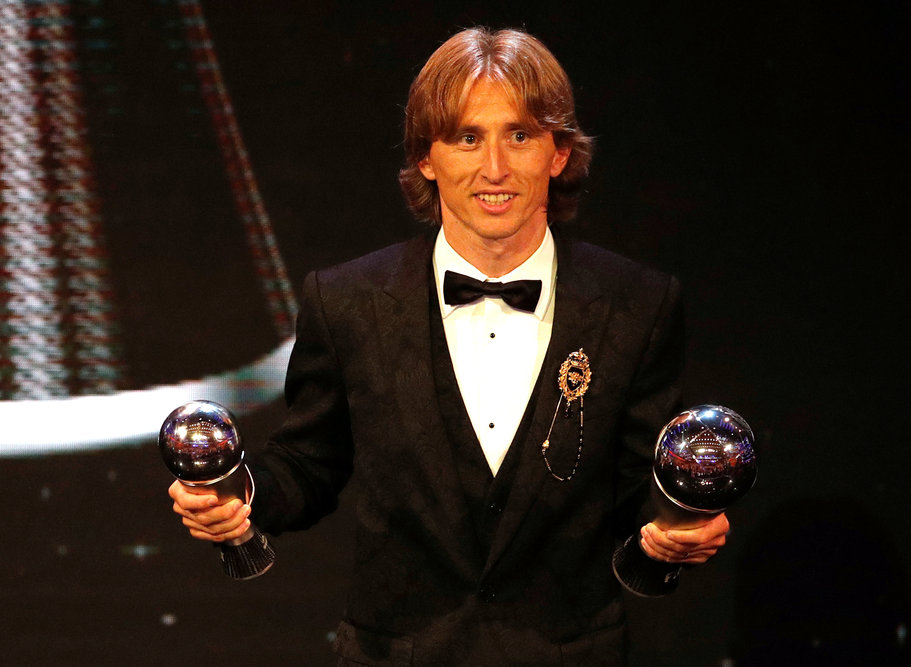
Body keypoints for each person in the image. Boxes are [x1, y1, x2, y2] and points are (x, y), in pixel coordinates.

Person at [169, 27, 730, 665]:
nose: (495, 168)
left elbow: (637, 483)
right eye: (468, 137)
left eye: (519, 135)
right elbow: (309, 462)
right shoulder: (347, 300)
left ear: (559, 153)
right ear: (427, 158)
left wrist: (667, 529)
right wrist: (240, 497)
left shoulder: (638, 303)